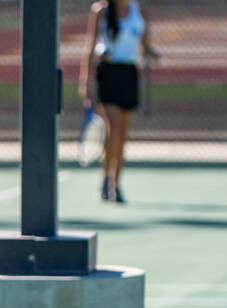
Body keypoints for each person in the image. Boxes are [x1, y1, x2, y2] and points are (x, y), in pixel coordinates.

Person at [79, 0, 160, 203]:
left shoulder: (140, 11)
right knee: (113, 128)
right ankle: (106, 181)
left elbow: (144, 44)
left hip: (129, 75)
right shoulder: (101, 11)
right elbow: (90, 47)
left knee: (121, 134)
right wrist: (85, 82)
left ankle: (116, 183)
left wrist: (151, 53)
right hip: (108, 73)